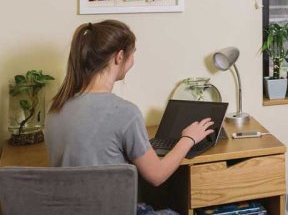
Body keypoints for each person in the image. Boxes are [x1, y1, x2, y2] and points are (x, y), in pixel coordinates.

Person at [45, 20, 214, 186]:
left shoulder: (55, 108)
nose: (133, 60)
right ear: (119, 57)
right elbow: (157, 175)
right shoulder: (125, 113)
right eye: (132, 53)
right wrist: (188, 138)